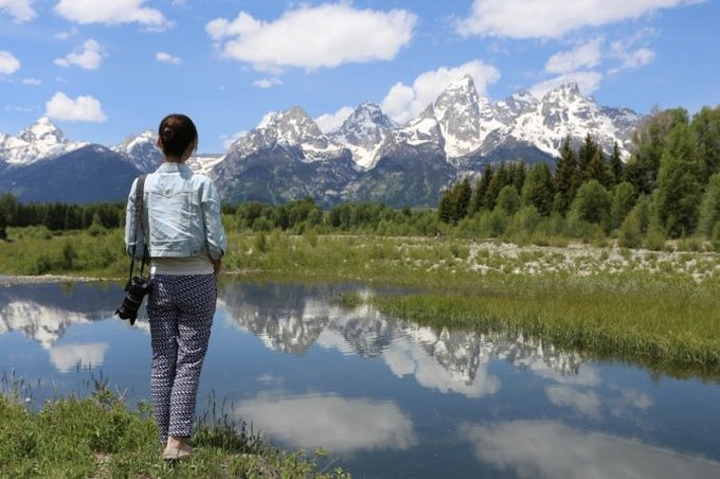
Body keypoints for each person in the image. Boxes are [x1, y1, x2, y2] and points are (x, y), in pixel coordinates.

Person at [124, 113, 227, 460]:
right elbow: (214, 238)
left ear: (159, 143)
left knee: (162, 358)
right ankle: (177, 441)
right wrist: (216, 259)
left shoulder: (141, 186)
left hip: (160, 281)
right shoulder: (202, 184)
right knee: (189, 360)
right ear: (193, 146)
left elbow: (132, 245)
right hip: (198, 279)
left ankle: (164, 437)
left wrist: (156, 255)